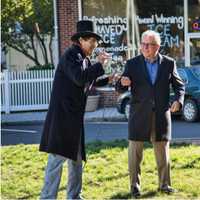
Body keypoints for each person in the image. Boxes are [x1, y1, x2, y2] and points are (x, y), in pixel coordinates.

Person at [39, 20, 111, 199]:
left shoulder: (83, 58)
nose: (95, 45)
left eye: (96, 41)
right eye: (92, 41)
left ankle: (74, 196)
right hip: (63, 119)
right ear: (81, 40)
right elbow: (79, 78)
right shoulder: (72, 55)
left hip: (73, 119)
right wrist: (100, 65)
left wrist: (108, 79)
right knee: (56, 160)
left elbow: (86, 81)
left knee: (76, 159)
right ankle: (47, 197)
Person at [116, 30, 185, 198]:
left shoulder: (169, 63)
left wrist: (179, 100)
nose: (145, 47)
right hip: (138, 115)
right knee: (134, 154)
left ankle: (165, 185)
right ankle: (134, 187)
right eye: (143, 44)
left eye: (149, 44)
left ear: (158, 47)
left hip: (161, 115)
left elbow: (179, 85)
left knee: (163, 153)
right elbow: (120, 87)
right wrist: (122, 83)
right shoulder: (132, 64)